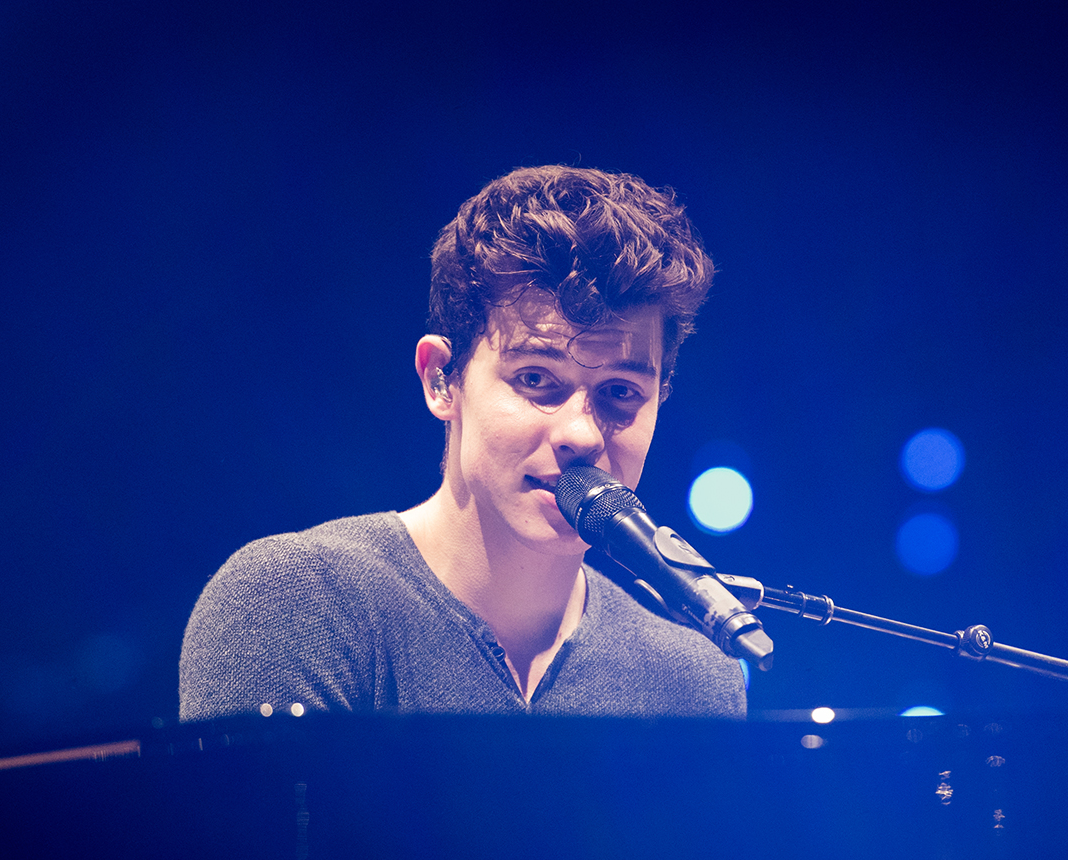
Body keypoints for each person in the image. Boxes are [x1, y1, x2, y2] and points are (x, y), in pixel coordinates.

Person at [179, 166, 746, 721]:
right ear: (441, 379)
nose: (580, 433)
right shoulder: (295, 605)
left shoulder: (694, 682)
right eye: (535, 379)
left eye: (620, 391)